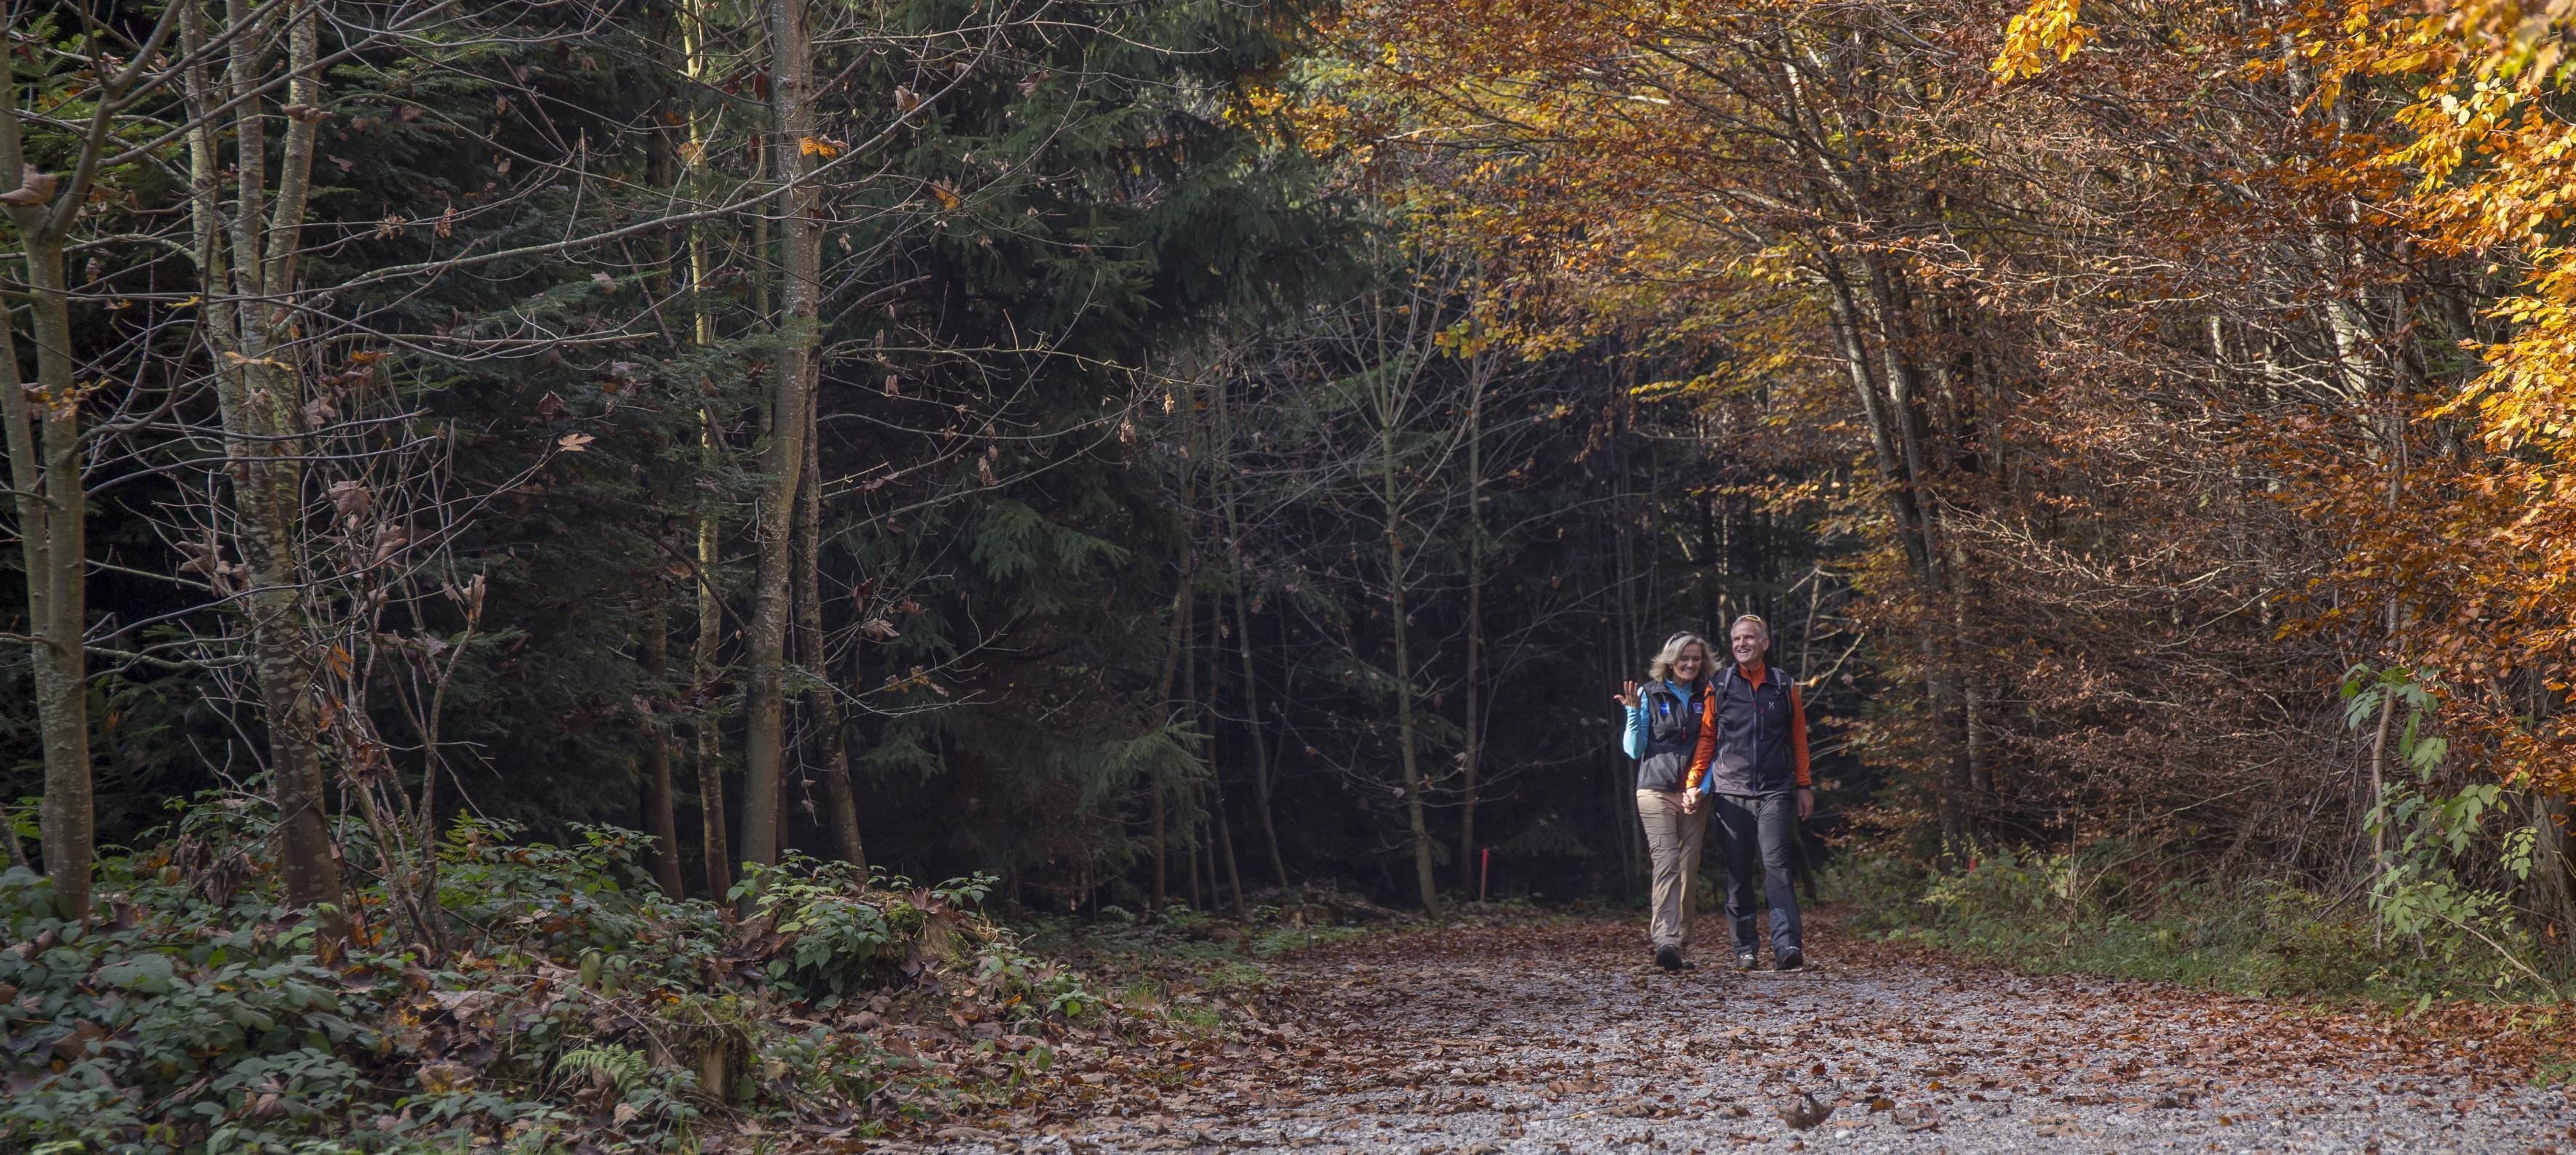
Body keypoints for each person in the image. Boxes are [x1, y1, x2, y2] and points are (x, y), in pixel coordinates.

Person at [1683, 615, 1813, 971]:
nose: (1742, 644)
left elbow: (1798, 739)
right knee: (1738, 871)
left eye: (1749, 638)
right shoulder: (1719, 685)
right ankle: (1745, 949)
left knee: (1777, 868)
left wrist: (1804, 785)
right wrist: (1695, 781)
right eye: (1737, 638)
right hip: (1730, 792)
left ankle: (1787, 946)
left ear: (1764, 644)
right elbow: (1707, 738)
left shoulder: (1784, 686)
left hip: (1775, 791)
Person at [1616, 631, 1714, 972]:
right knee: (1667, 862)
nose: (1689, 664)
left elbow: (1715, 745)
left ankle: (1680, 945)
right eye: (1683, 658)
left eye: (1696, 658)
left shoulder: (1709, 694)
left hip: (1695, 791)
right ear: (1670, 660)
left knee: (1688, 868)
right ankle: (1666, 941)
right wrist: (1632, 713)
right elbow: (1634, 749)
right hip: (1655, 790)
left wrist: (1701, 786)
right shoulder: (1649, 693)